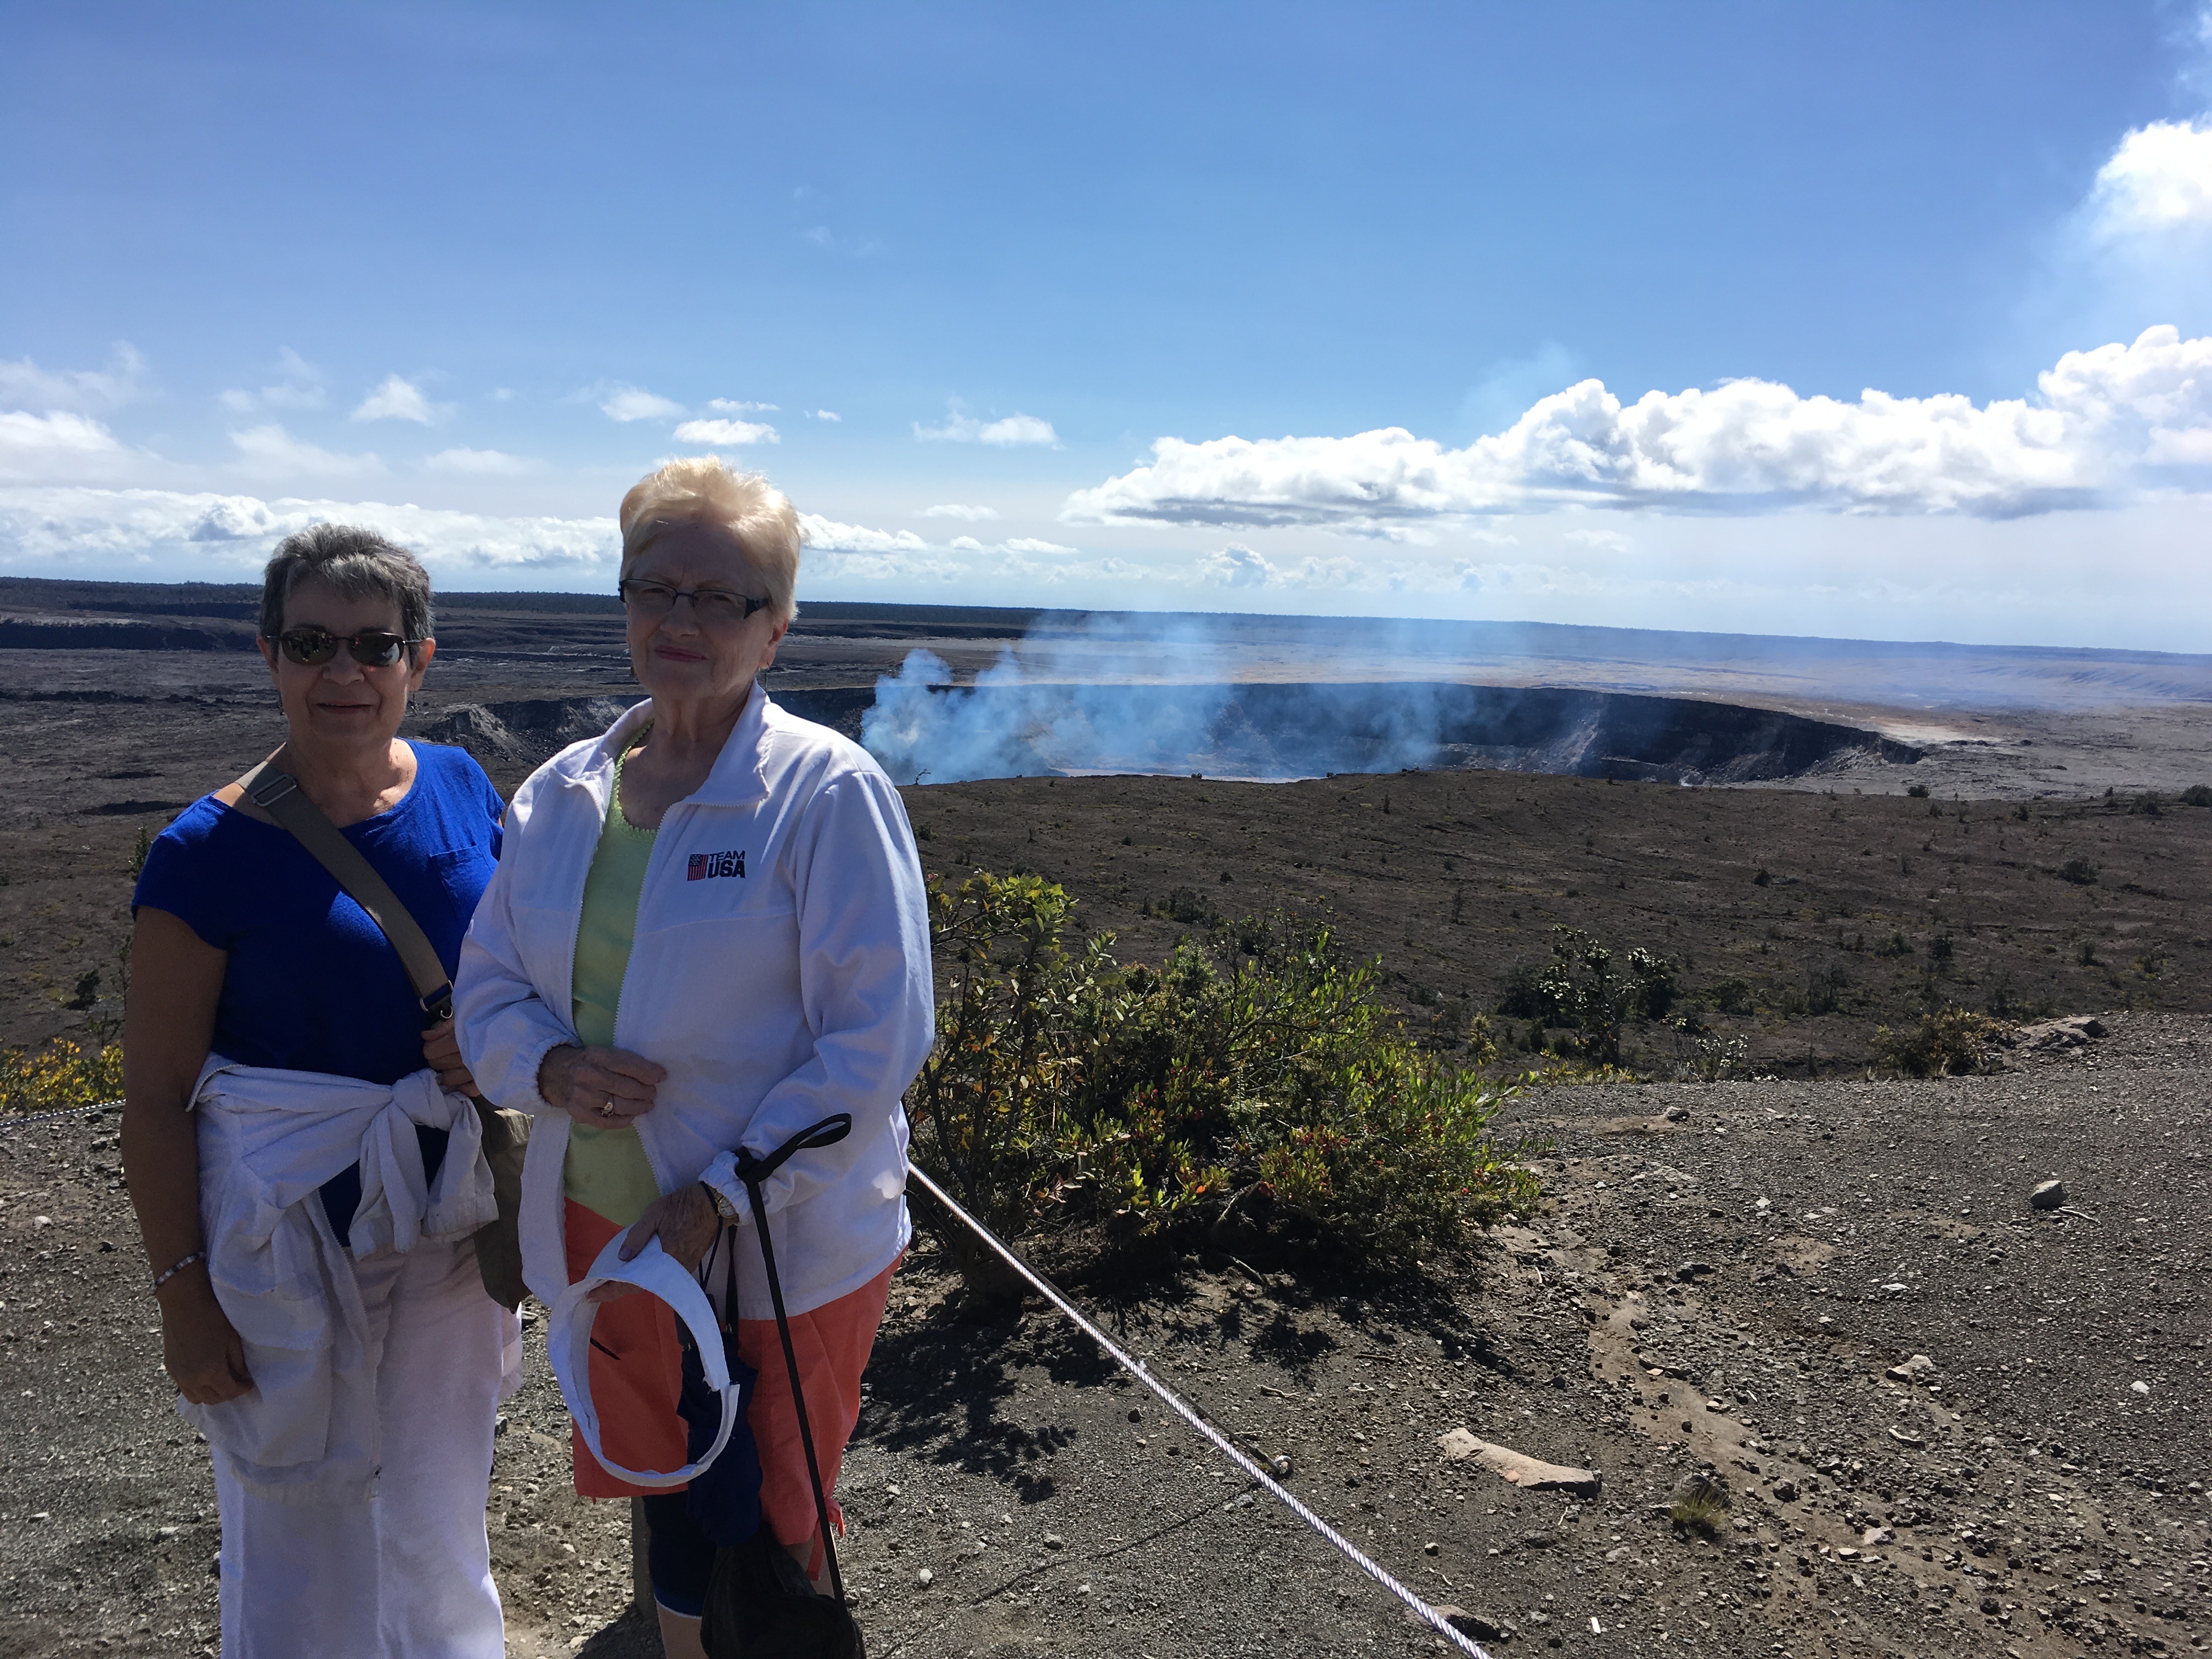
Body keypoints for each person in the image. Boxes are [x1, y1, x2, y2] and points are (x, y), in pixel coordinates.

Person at [454, 457, 933, 1657]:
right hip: (604, 1230)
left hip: (778, 1246)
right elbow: (491, 991)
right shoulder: (562, 796)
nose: (680, 619)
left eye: (720, 597)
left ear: (774, 629)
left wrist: (722, 1198)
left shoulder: (826, 793)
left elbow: (878, 1038)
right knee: (662, 1474)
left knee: (775, 1512)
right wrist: (549, 1071)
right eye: (654, 587)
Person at [121, 526, 518, 1659]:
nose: (343, 674)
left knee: (442, 1511)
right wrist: (182, 1299)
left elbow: (517, 972)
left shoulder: (461, 785)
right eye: (312, 643)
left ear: (420, 660)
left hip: (445, 1226)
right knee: (294, 1522)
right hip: (283, 1236)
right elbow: (154, 1100)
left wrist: (489, 1045)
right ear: (270, 655)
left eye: (373, 646)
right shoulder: (203, 855)